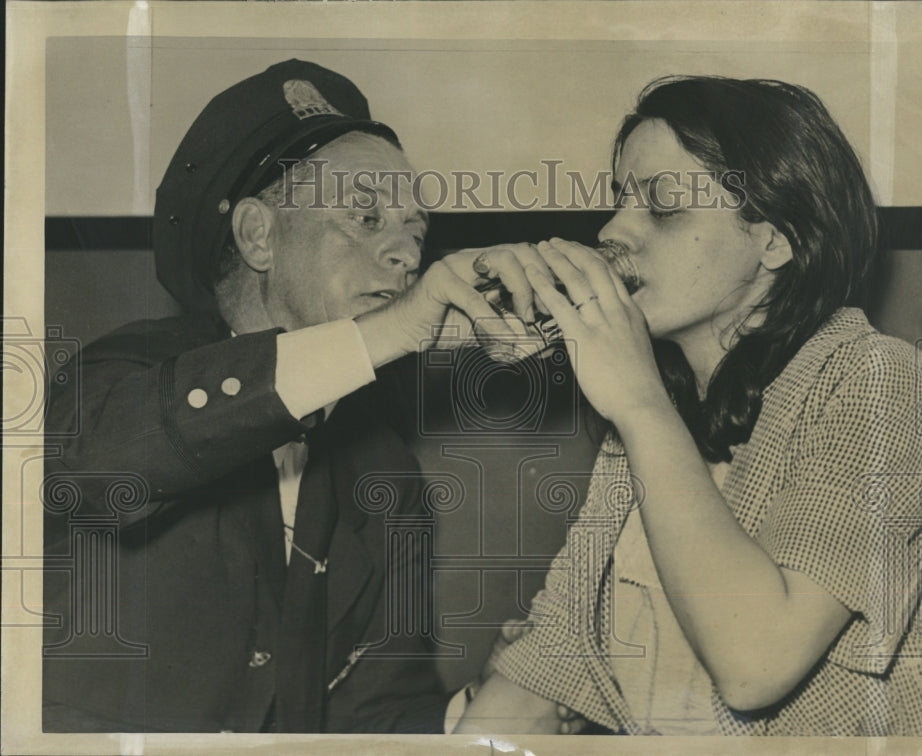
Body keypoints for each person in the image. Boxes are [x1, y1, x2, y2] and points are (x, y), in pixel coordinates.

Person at [456, 75, 922, 736]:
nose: (613, 229)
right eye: (620, 199)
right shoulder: (655, 424)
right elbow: (547, 669)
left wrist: (641, 405)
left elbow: (756, 661)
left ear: (775, 240)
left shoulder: (881, 384)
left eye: (662, 206)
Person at [41, 59, 553, 734]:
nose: (406, 254)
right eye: (367, 218)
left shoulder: (381, 470)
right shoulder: (119, 375)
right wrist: (393, 329)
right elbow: (110, 465)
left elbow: (374, 712)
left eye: (415, 233)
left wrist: (483, 709)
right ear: (259, 236)